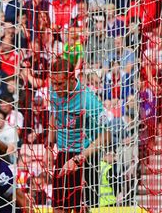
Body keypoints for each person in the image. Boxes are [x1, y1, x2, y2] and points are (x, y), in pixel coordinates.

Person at [50, 59, 112, 213]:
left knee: (82, 209)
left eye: (60, 85)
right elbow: (55, 116)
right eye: (54, 84)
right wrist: (48, 145)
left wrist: (79, 159)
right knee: (58, 208)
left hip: (85, 158)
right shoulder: (54, 93)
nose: (56, 89)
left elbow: (107, 135)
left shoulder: (89, 100)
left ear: (72, 79)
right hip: (63, 154)